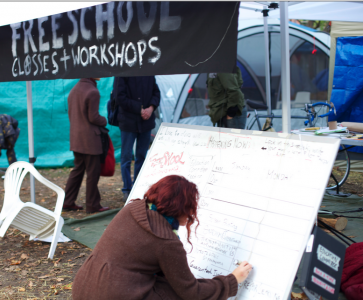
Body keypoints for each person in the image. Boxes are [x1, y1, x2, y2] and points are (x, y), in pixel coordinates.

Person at [72, 175, 252, 300]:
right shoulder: (166, 241)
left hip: (84, 287)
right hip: (114, 294)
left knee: (166, 285)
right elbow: (192, 292)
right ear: (182, 209)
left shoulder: (132, 209)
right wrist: (232, 280)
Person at [64, 78, 110, 214]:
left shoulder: (74, 90)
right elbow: (93, 117)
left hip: (76, 138)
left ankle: (67, 201)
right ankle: (93, 205)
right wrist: (104, 120)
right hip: (90, 140)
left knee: (78, 170)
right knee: (93, 173)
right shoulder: (93, 91)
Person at [115, 76, 160, 202]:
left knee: (142, 157)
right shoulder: (122, 73)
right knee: (126, 157)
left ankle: (138, 188)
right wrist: (139, 109)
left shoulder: (149, 73)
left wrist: (150, 108)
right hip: (128, 122)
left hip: (146, 123)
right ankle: (127, 189)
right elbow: (120, 97)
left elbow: (156, 93)